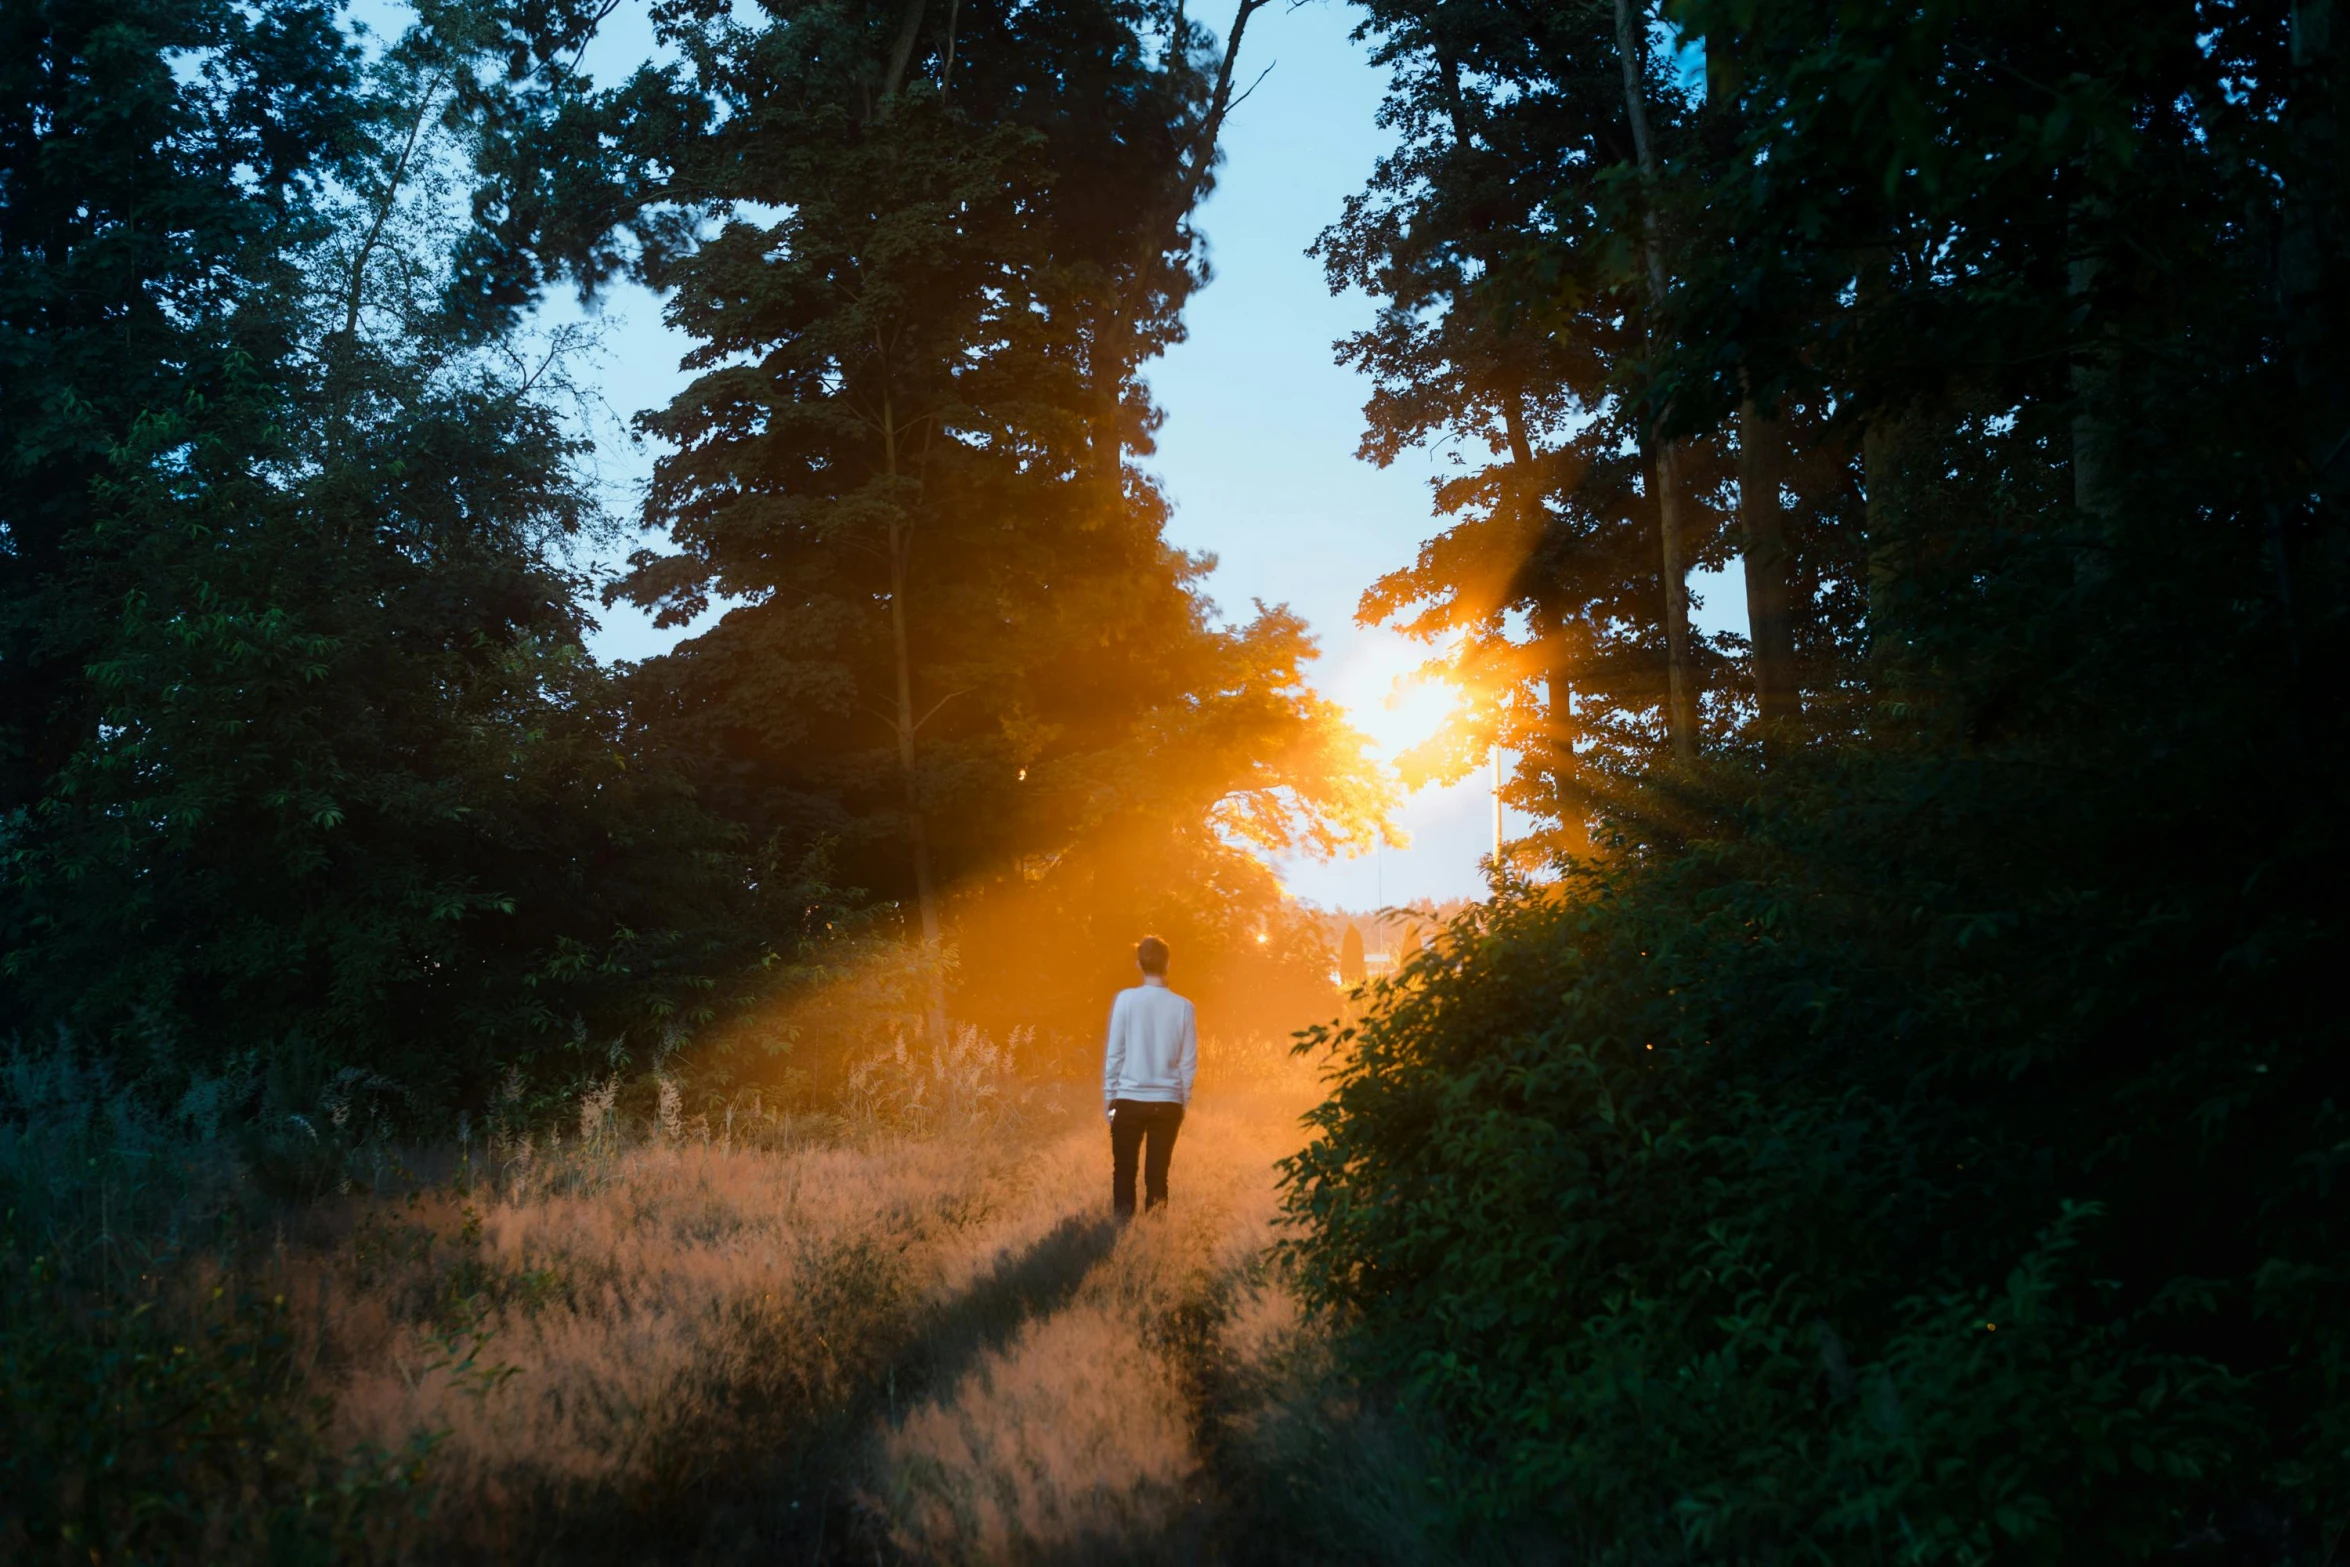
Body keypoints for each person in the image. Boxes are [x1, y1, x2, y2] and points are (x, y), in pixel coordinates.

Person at [1101, 934, 1197, 1220]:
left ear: (1138, 964)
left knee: (1124, 1170)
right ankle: (1154, 1238)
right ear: (1168, 963)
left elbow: (1114, 1053)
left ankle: (1121, 1230)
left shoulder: (1125, 1000)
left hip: (1128, 1099)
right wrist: (1182, 1102)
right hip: (1167, 1102)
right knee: (1158, 1174)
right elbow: (1188, 1062)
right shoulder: (1184, 1007)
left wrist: (1110, 1099)